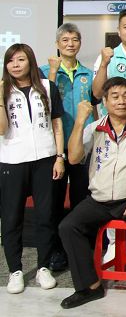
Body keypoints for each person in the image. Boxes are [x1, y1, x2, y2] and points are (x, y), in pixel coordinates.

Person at [59, 77, 126, 310]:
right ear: (105, 101)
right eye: (115, 97)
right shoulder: (93, 128)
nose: (121, 101)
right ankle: (90, 286)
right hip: (98, 199)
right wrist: (79, 122)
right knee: (68, 226)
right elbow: (74, 158)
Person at [0, 43, 65, 294]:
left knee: (45, 215)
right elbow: (2, 129)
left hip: (45, 159)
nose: (15, 65)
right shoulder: (4, 90)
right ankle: (15, 270)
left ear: (30, 61)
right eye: (10, 61)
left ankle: (43, 267)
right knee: (12, 217)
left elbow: (57, 124)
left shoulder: (47, 87)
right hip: (12, 160)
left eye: (20, 60)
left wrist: (59, 157)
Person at [41, 23, 93, 271]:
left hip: (82, 144)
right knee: (53, 200)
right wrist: (53, 71)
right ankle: (56, 251)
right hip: (55, 147)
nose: (70, 44)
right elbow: (45, 104)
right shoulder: (43, 72)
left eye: (75, 40)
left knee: (81, 200)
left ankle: (80, 249)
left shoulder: (87, 74)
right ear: (57, 44)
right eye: (65, 40)